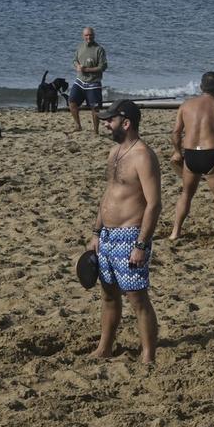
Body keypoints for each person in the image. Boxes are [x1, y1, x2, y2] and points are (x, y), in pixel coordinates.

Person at [86, 100, 161, 364]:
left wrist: (141, 244)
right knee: (108, 294)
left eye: (110, 120)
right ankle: (104, 348)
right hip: (107, 235)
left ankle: (148, 355)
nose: (106, 124)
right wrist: (96, 231)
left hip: (130, 236)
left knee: (137, 298)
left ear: (126, 122)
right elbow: (109, 194)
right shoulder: (115, 152)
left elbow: (154, 203)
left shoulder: (143, 155)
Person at [169, 72, 214, 244]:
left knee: (186, 194)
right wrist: (213, 152)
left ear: (200, 86)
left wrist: (177, 152)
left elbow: (176, 133)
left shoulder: (186, 105)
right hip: (211, 154)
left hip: (190, 154)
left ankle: (175, 232)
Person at [68, 26, 108, 134]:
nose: (88, 37)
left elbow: (103, 67)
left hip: (93, 83)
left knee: (95, 108)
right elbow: (74, 60)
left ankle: (96, 131)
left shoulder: (99, 49)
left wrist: (87, 69)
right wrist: (77, 66)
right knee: (72, 102)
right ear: (83, 36)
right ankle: (78, 126)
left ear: (94, 36)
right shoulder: (80, 47)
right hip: (80, 81)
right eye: (86, 35)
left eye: (90, 35)